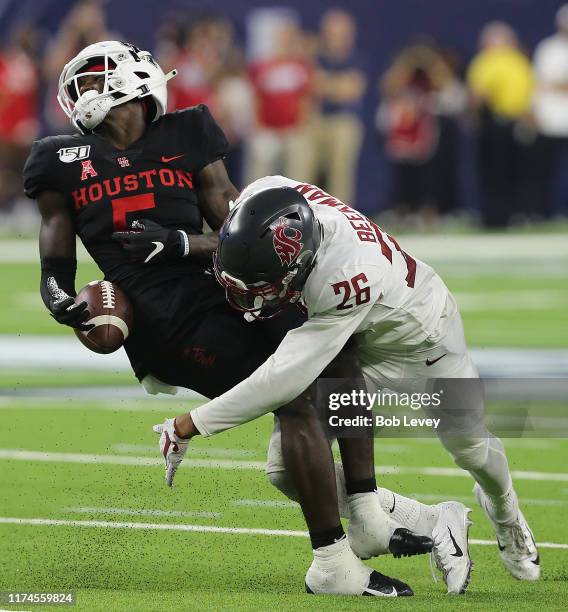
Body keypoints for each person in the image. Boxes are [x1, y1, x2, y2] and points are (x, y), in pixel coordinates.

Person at [23, 40, 439, 598]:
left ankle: (363, 505)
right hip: (165, 320)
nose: (84, 92)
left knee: (340, 344)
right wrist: (57, 294)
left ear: (129, 83)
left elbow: (235, 231)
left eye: (95, 79)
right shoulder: (58, 158)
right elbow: (55, 248)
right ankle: (333, 563)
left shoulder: (187, 133)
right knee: (293, 396)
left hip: (227, 287)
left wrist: (177, 243)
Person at [158, 174, 541, 593]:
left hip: (423, 347)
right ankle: (431, 520)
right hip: (358, 343)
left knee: (472, 449)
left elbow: (283, 376)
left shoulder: (345, 276)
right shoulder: (266, 197)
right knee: (287, 469)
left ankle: (506, 513)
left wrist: (192, 423)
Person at [467, 22, 534, 227]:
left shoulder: (491, 60)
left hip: (500, 122)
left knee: (499, 172)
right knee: (507, 171)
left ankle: (498, 216)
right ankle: (504, 215)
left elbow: (477, 95)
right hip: (504, 121)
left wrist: (473, 116)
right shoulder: (516, 60)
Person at [312, 9, 367, 204]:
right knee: (302, 155)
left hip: (344, 121)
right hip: (316, 120)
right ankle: (300, 216)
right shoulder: (315, 57)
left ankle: (340, 217)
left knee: (341, 165)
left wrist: (325, 83)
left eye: (340, 33)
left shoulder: (355, 58)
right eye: (331, 33)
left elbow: (351, 90)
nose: (335, 38)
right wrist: (334, 85)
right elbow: (311, 84)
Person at [533, 4, 568, 218]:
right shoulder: (548, 49)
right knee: (546, 172)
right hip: (551, 121)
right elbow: (541, 83)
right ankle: (545, 212)